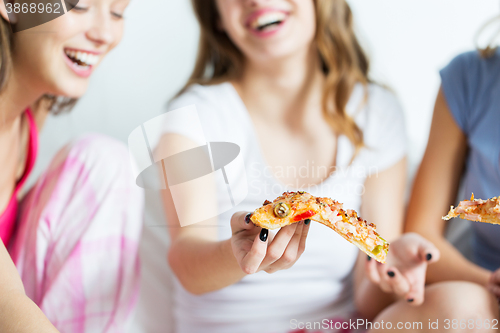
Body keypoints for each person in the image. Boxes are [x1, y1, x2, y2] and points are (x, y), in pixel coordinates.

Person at [157, 1, 496, 332]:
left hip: (344, 325)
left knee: (461, 309)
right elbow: (187, 265)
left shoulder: (375, 111)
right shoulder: (191, 119)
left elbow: (370, 302)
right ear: (215, 14)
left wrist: (393, 270)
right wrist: (240, 254)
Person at [0, 0, 143, 331]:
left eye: (118, 12)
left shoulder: (32, 111)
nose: (104, 33)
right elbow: (5, 298)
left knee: (104, 162)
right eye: (79, 6)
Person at [405, 14, 500, 318]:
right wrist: (490, 283)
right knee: (455, 309)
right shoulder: (471, 77)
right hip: (482, 289)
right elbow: (422, 233)